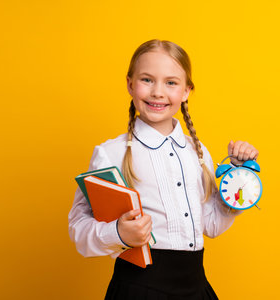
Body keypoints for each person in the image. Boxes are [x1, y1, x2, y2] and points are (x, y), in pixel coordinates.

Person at [68, 39, 259, 299]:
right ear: (130, 84)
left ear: (186, 91)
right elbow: (79, 232)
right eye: (147, 79)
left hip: (195, 288)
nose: (158, 92)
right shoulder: (110, 154)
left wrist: (238, 180)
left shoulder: (197, 151)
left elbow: (211, 225)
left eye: (171, 82)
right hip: (138, 290)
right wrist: (118, 233)